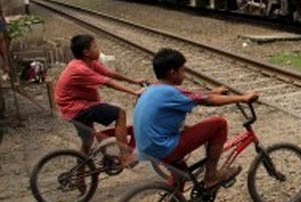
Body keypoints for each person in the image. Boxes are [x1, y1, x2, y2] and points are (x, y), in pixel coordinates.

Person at [134, 48, 258, 189]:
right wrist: (243, 98)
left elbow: (191, 95)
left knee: (181, 174)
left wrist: (213, 91)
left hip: (148, 146)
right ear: (172, 73)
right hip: (163, 146)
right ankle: (211, 176)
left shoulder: (155, 88)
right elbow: (207, 100)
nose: (184, 75)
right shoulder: (170, 92)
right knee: (219, 123)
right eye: (182, 71)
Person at [55, 34, 146, 167]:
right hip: (77, 108)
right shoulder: (80, 69)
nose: (98, 49)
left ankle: (79, 177)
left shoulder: (88, 63)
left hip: (73, 108)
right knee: (119, 113)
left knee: (87, 142)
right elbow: (109, 82)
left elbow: (110, 73)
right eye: (95, 46)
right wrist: (134, 92)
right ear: (86, 52)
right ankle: (125, 156)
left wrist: (135, 81)